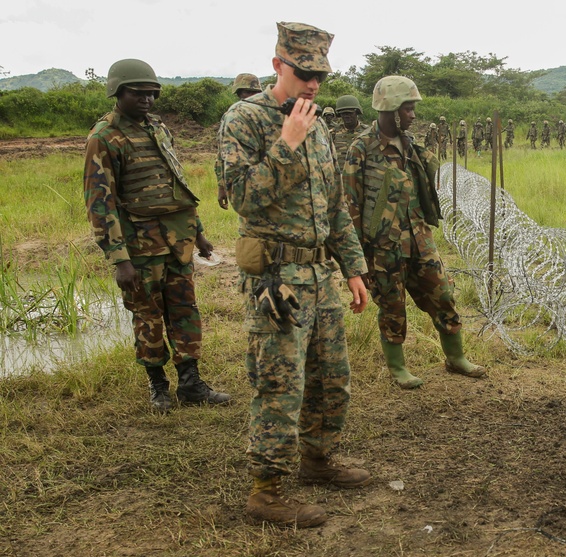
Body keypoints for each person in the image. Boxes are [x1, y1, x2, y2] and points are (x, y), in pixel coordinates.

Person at [218, 21, 371, 528]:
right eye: (304, 72)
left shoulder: (320, 124)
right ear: (277, 64)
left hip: (319, 274)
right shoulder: (245, 119)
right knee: (280, 385)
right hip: (275, 280)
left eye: (320, 76)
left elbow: (335, 207)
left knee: (332, 380)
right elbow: (240, 197)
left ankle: (318, 460)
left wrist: (353, 269)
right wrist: (286, 142)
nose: (313, 84)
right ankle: (268, 490)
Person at [84, 58, 231, 414]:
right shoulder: (104, 138)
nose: (147, 100)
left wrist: (199, 234)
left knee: (184, 311)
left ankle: (192, 383)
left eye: (152, 93)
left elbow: (176, 185)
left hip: (176, 243)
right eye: (138, 93)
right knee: (147, 316)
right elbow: (100, 204)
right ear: (118, 92)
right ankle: (158, 386)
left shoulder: (159, 128)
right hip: (139, 247)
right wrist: (120, 260)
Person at [343, 76, 485, 390]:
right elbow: (351, 205)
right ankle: (398, 368)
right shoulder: (362, 148)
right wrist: (358, 261)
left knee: (443, 295)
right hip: (383, 247)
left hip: (420, 240)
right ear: (391, 110)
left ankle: (456, 358)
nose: (413, 115)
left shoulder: (411, 146)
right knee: (392, 307)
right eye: (408, 109)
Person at [215, 73, 262, 209]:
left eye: (253, 93)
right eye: (245, 93)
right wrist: (221, 186)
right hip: (243, 185)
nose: (248, 97)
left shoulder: (269, 116)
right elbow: (222, 153)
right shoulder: (231, 117)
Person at [331, 94, 367, 167]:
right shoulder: (333, 133)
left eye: (350, 113)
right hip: (339, 176)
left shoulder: (367, 132)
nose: (346, 116)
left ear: (356, 113)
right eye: (343, 113)